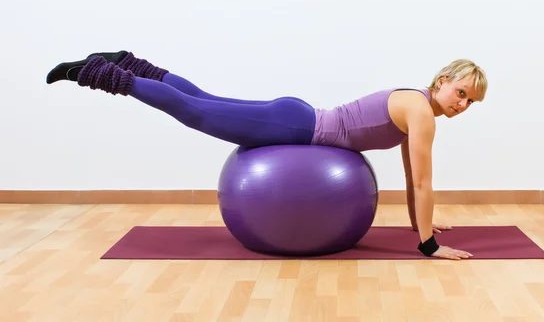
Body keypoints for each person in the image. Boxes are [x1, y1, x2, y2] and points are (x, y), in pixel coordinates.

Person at [46, 51, 487, 260]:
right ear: (443, 80)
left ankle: (128, 64)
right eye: (460, 92)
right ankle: (95, 73)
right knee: (196, 111)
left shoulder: (416, 104)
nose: (462, 103)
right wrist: (429, 246)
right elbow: (424, 182)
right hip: (298, 127)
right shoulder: (421, 113)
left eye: (471, 101)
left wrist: (421, 222)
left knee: (203, 99)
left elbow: (414, 178)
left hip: (296, 117)